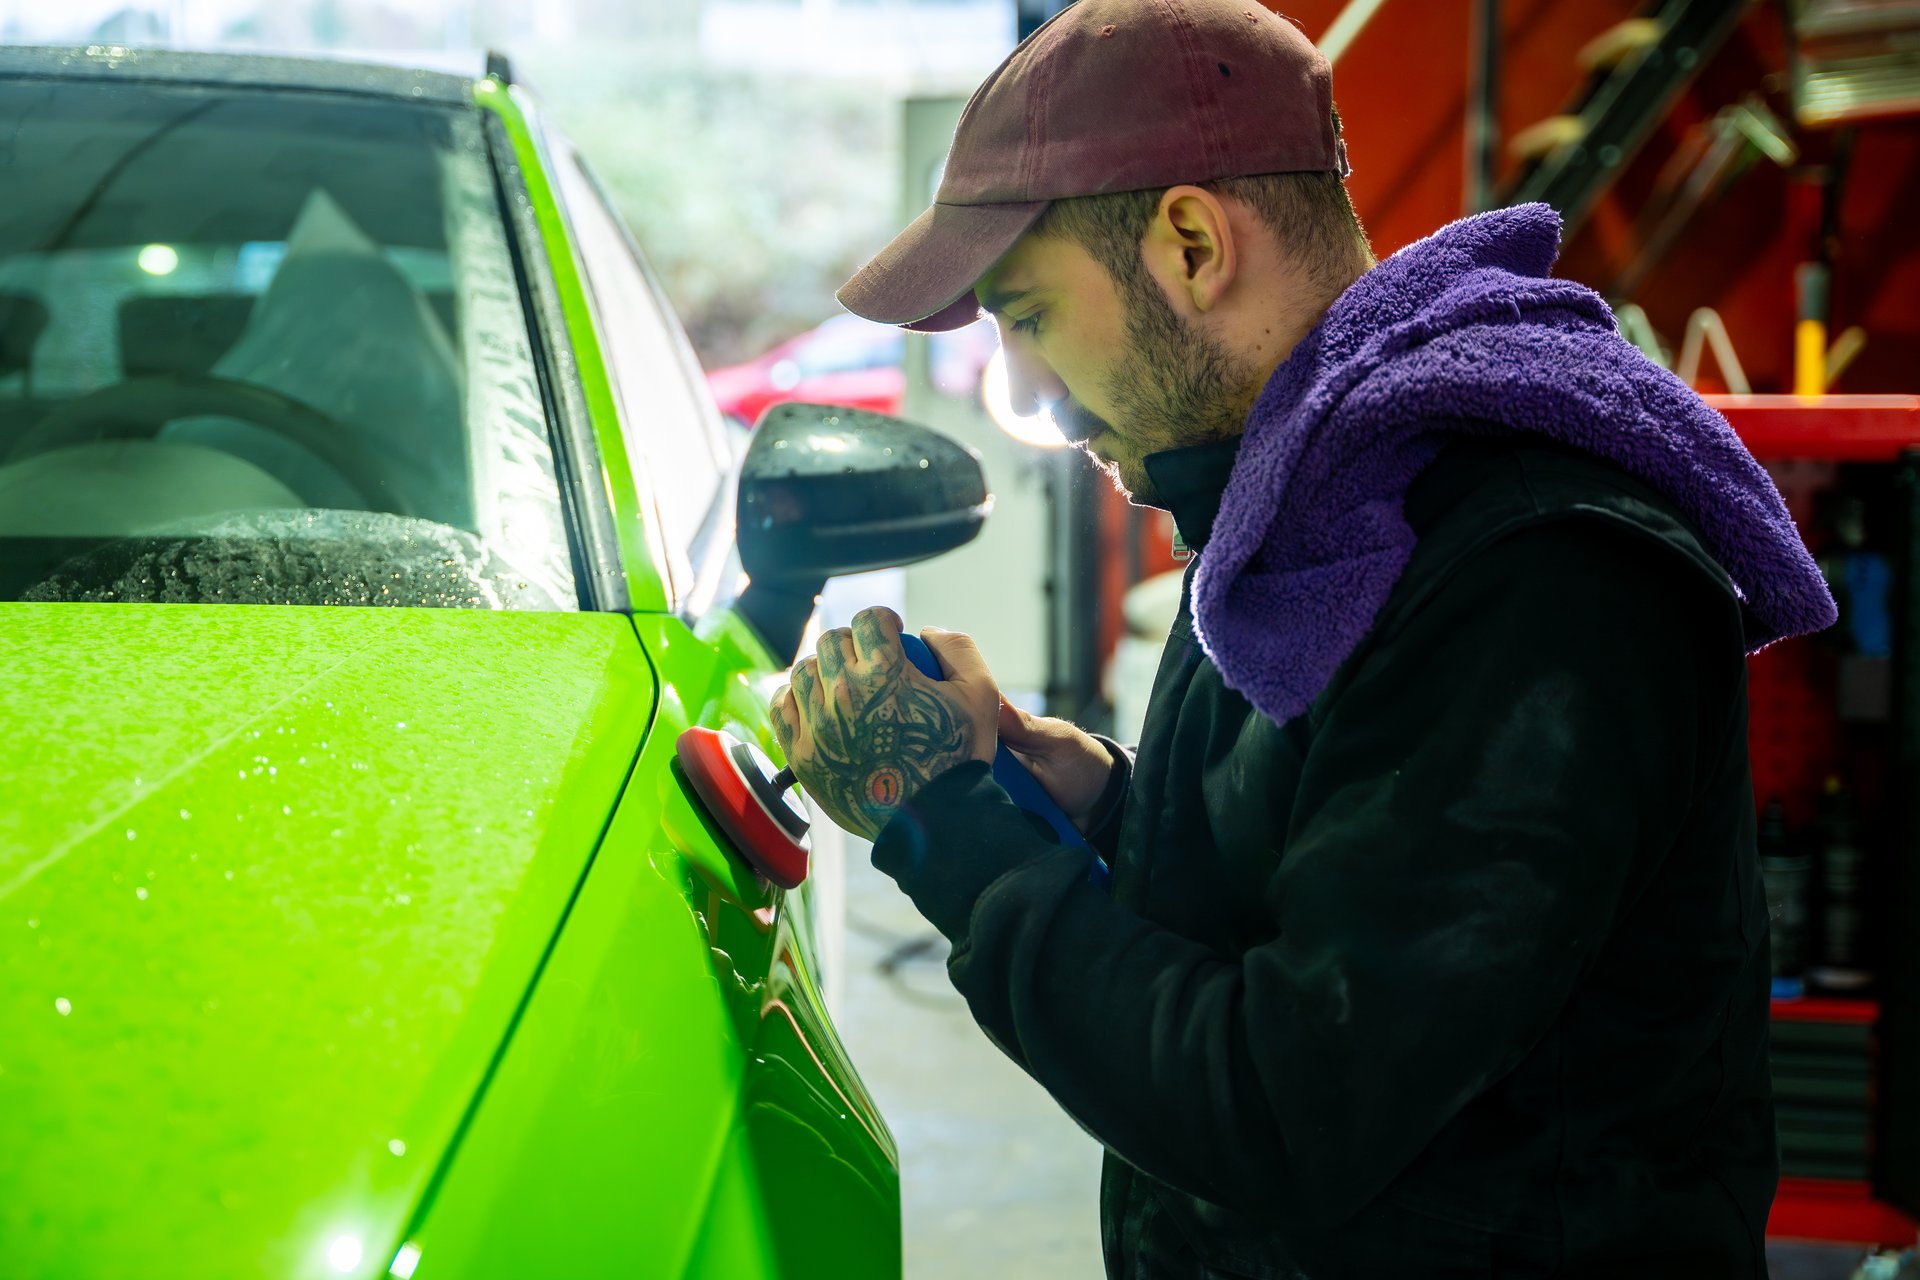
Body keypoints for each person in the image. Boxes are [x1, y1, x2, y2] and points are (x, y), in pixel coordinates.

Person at [768, 2, 1837, 1275]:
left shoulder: (1535, 576)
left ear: (1189, 241)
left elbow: (1290, 1105)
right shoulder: (1316, 500)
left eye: (1030, 315)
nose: (1032, 395)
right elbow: (1338, 865)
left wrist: (949, 824)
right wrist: (1107, 801)